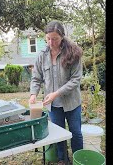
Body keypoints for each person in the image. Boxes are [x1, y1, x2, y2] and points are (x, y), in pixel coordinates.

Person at [29, 20, 83, 164]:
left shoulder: (73, 53)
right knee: (59, 135)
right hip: (53, 106)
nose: (51, 42)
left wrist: (56, 93)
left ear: (62, 37)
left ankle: (79, 159)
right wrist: (33, 94)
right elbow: (36, 78)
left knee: (75, 133)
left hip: (72, 103)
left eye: (55, 39)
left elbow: (75, 80)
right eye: (48, 39)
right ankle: (63, 159)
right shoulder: (42, 55)